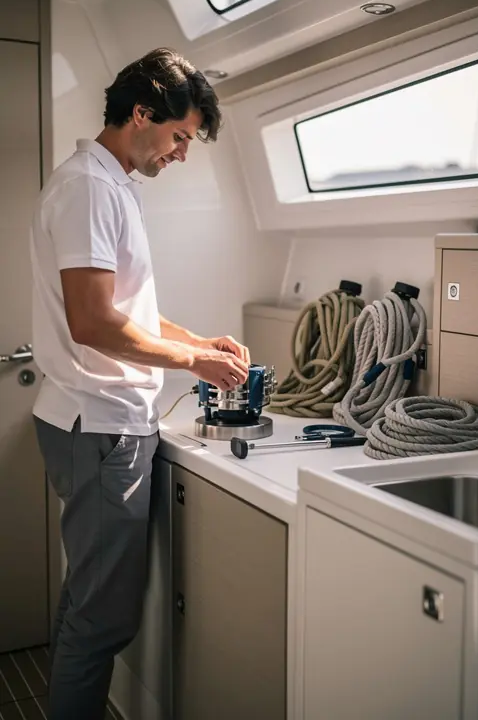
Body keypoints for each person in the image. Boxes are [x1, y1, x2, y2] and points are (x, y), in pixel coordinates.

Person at [30, 47, 250, 720]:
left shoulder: (110, 184)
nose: (183, 152)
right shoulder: (90, 189)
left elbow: (127, 309)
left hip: (94, 423)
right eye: (180, 136)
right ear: (141, 114)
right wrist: (192, 367)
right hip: (99, 427)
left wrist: (195, 341)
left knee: (88, 604)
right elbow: (95, 324)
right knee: (101, 624)